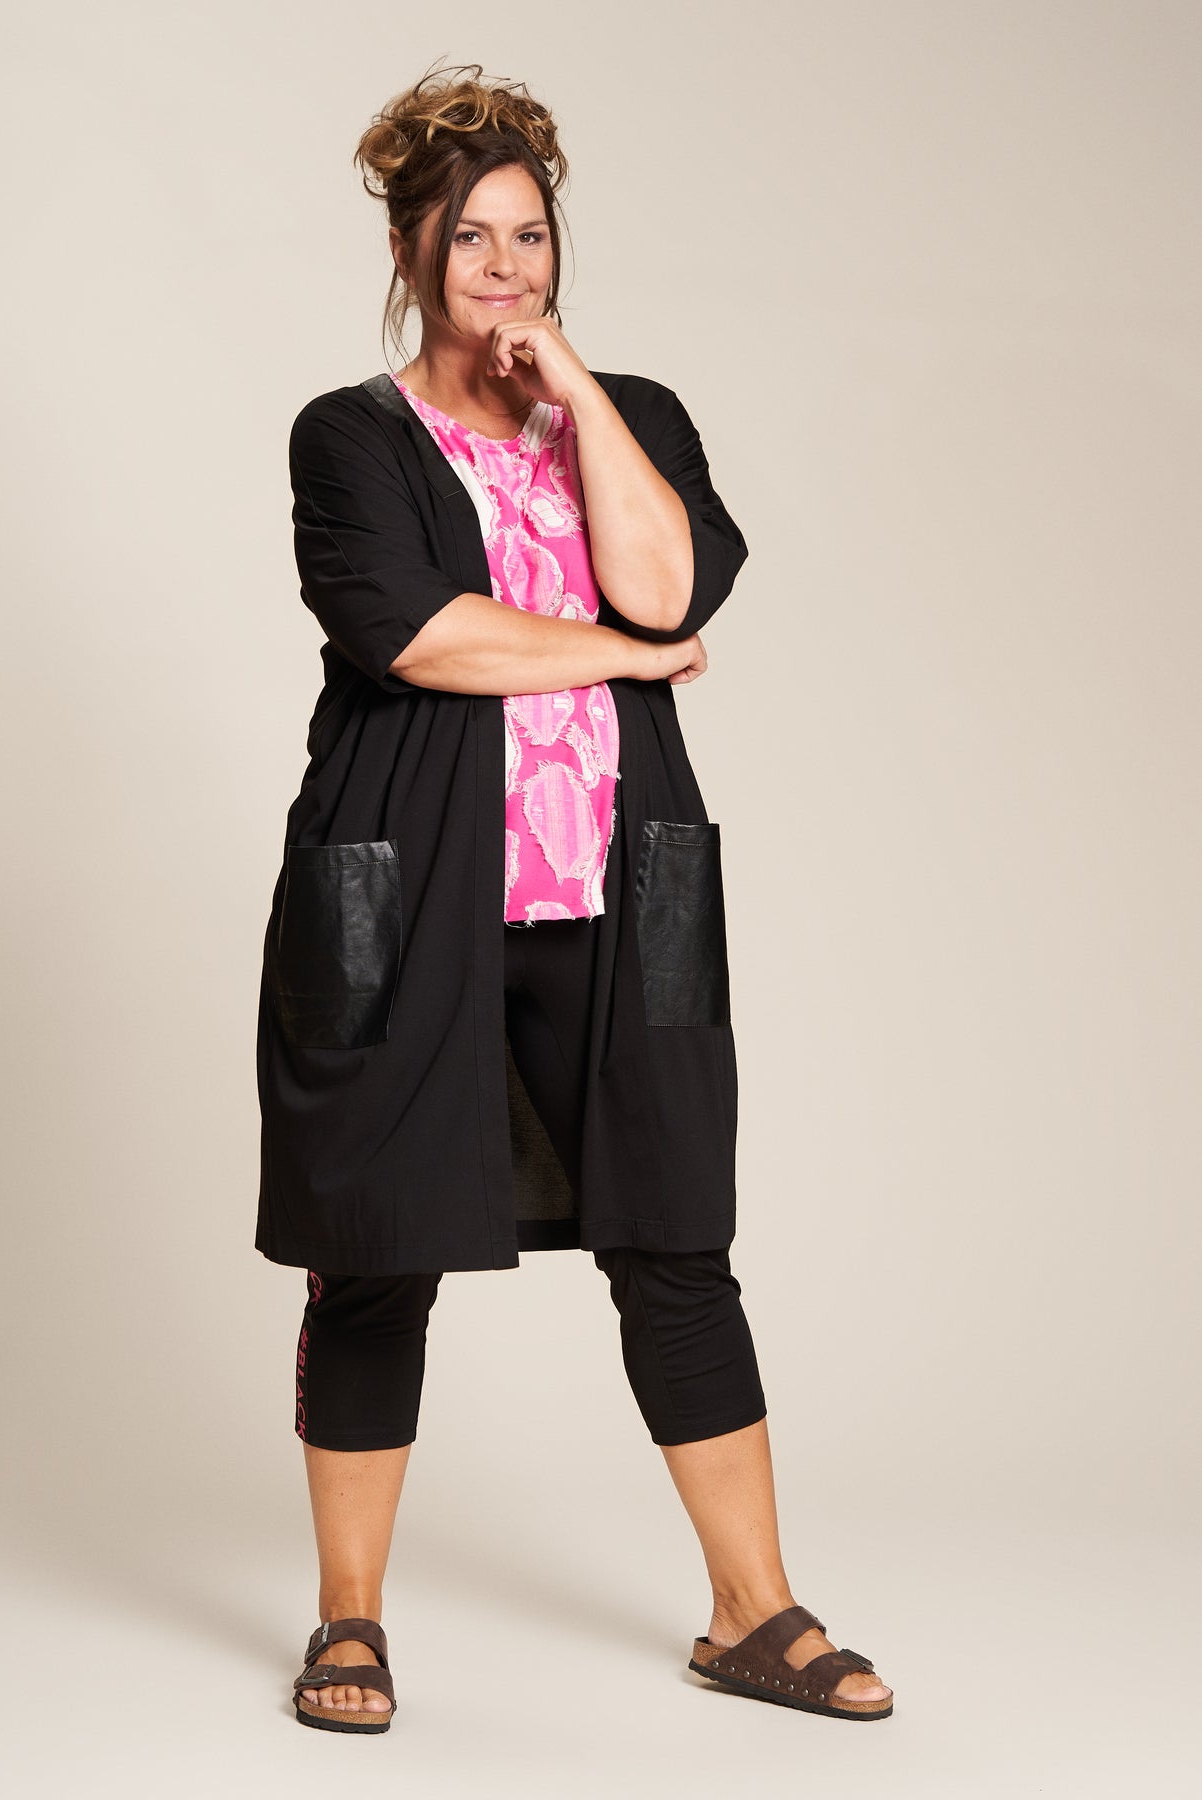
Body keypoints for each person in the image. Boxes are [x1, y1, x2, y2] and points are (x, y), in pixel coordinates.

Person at [256, 62, 893, 1733]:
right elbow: (417, 636)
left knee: (677, 1239)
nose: (503, 268)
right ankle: (346, 1620)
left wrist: (580, 397)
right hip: (400, 898)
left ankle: (752, 1613)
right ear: (410, 249)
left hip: (631, 887)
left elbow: (668, 584)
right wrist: (623, 658)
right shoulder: (350, 437)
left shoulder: (636, 415)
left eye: (528, 236)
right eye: (470, 237)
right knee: (373, 1255)